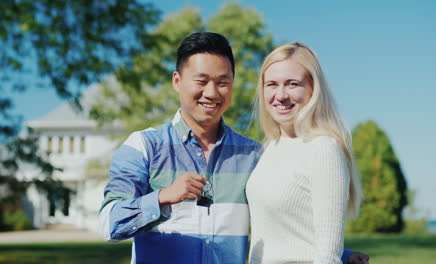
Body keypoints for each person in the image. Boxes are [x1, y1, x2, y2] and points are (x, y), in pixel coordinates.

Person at [98, 32, 369, 264]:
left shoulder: (255, 155)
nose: (212, 93)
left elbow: (278, 221)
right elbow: (109, 223)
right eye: (201, 81)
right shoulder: (143, 146)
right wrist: (163, 197)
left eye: (223, 82)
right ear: (177, 82)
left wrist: (339, 254)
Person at [246, 42, 364, 264]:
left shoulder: (324, 149)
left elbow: (328, 254)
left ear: (313, 89)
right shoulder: (270, 148)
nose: (280, 95)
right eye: (272, 84)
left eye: (293, 84)